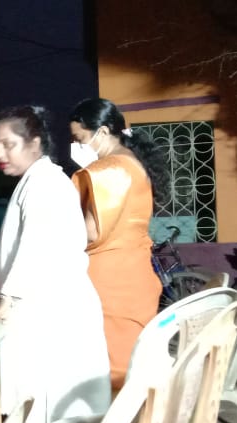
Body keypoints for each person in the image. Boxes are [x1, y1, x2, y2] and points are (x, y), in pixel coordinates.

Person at [0, 105, 111, 423]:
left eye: (9, 145)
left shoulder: (43, 183)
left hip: (50, 310)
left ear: (35, 143)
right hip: (49, 304)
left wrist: (8, 299)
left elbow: (36, 245)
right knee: (49, 408)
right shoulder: (39, 180)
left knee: (49, 406)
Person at [69, 97, 164, 391]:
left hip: (111, 286)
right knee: (132, 370)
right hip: (134, 277)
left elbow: (91, 232)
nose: (76, 146)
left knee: (113, 374)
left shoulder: (110, 170)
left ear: (103, 132)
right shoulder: (134, 164)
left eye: (79, 139)